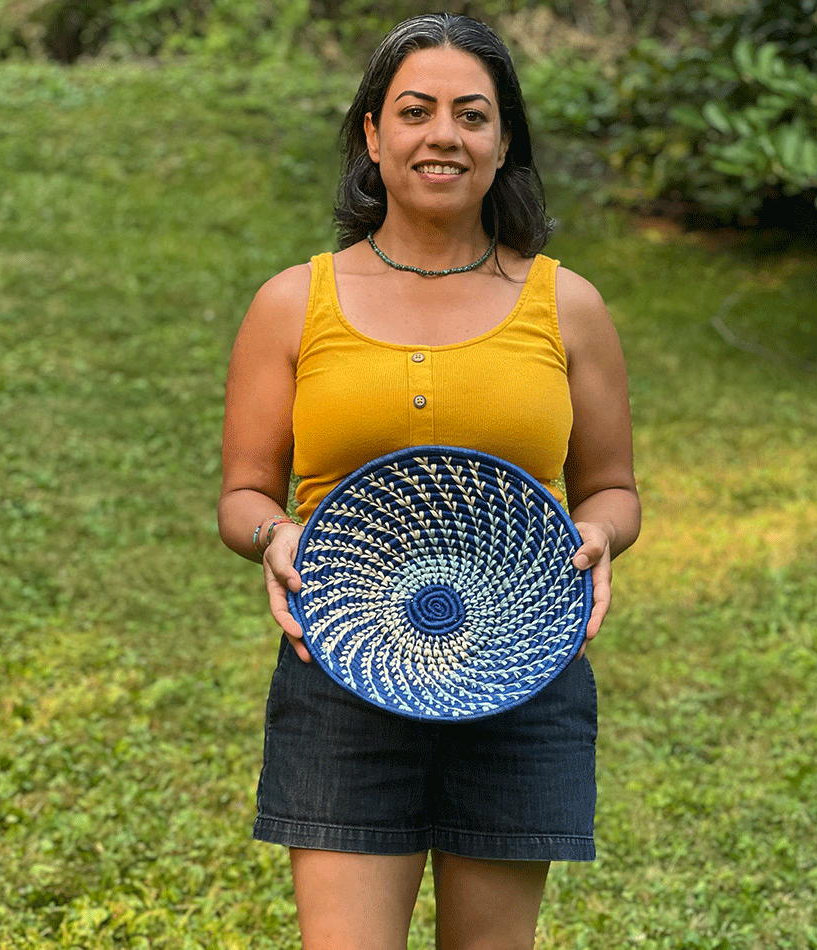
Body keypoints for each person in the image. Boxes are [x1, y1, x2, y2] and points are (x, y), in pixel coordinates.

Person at [218, 12, 640, 950]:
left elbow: (611, 486)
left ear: (503, 143)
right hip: (340, 674)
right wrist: (273, 536)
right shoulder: (295, 301)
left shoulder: (566, 304)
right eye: (415, 110)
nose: (442, 134)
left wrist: (603, 534)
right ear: (373, 134)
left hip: (525, 677)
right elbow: (244, 495)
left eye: (472, 115)